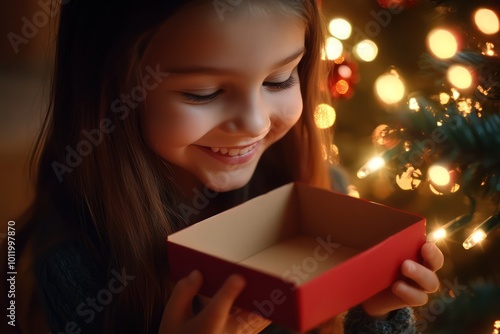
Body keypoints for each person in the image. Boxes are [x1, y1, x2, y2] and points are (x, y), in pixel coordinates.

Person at [6, 0, 443, 333]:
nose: (254, 123)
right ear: (111, 93)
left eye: (279, 80)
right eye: (203, 93)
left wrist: (376, 311)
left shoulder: (322, 187)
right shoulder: (75, 259)